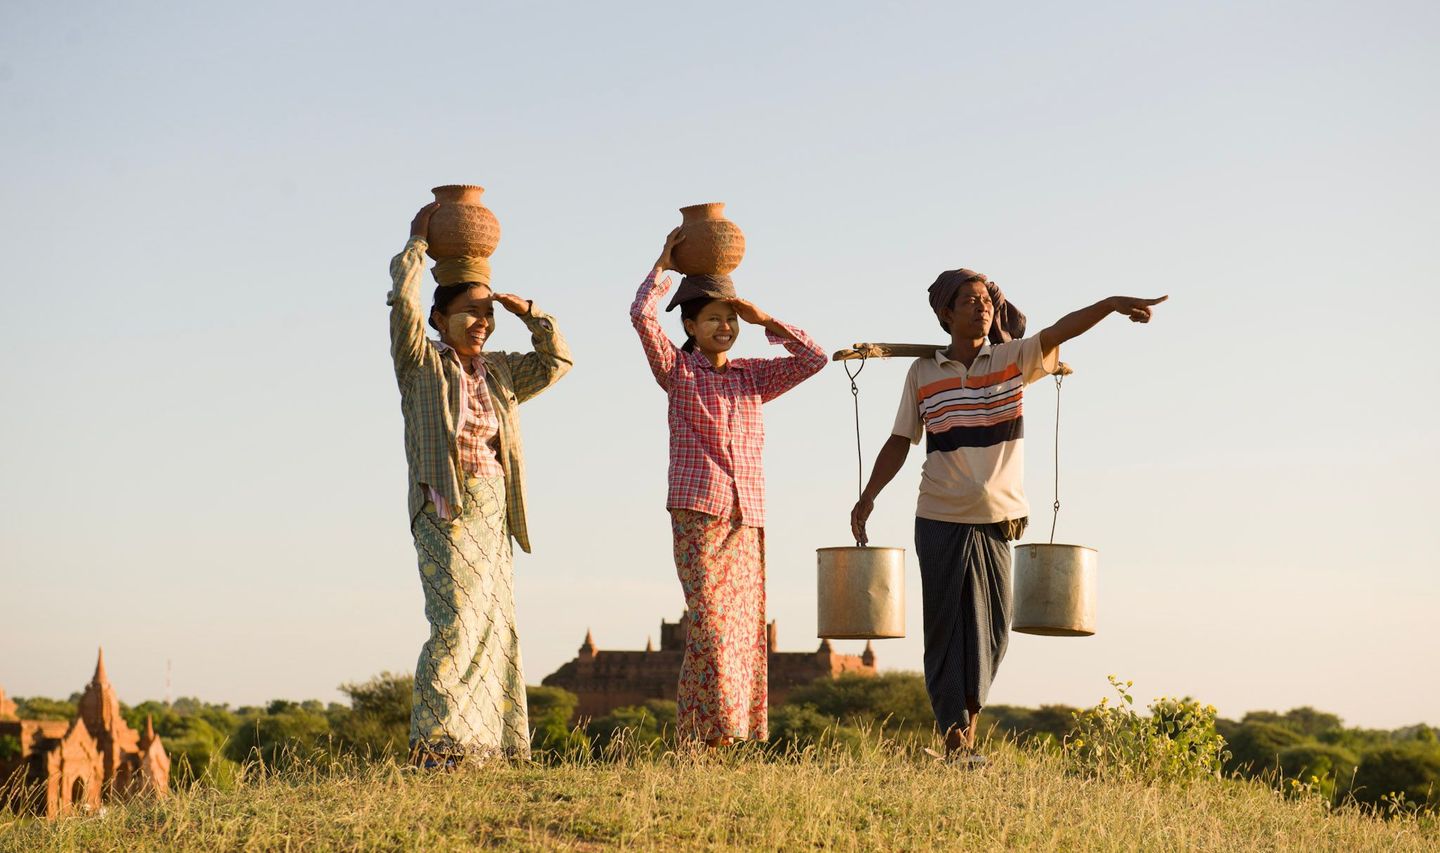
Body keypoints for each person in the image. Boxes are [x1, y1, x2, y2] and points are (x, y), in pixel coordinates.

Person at [848, 268, 1166, 761]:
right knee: (945, 626)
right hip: (938, 513)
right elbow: (899, 441)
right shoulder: (924, 373)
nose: (982, 308)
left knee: (991, 629)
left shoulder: (1013, 359)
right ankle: (955, 735)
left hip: (999, 516)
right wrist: (868, 496)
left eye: (987, 301)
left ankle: (967, 724)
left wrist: (1108, 304)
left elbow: (1062, 329)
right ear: (945, 313)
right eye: (969, 301)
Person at [387, 202, 572, 766]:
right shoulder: (422, 362)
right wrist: (417, 249)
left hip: (495, 508)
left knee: (495, 623)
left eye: (486, 315)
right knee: (456, 621)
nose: (481, 323)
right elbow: (404, 304)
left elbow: (558, 360)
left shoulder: (499, 371)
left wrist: (529, 313)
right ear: (440, 319)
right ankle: (438, 744)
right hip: (446, 503)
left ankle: (491, 745)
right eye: (470, 313)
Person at [630, 227, 827, 746]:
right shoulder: (678, 372)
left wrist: (766, 320)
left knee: (739, 634)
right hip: (699, 513)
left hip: (748, 520)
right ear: (690, 325)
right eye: (714, 318)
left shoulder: (751, 377)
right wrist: (662, 267)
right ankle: (716, 735)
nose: (725, 326)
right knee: (714, 627)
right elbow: (641, 317)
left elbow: (814, 359)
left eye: (730, 318)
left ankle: (714, 740)